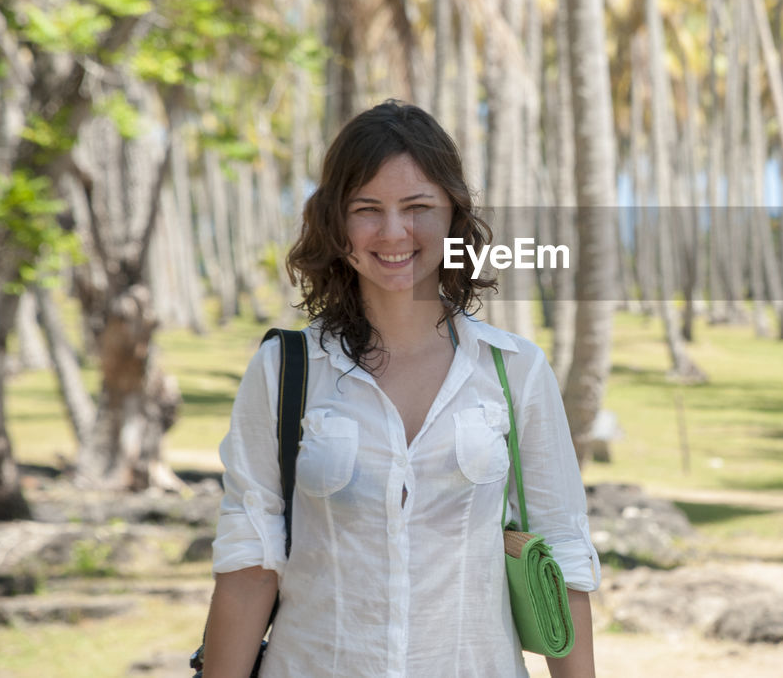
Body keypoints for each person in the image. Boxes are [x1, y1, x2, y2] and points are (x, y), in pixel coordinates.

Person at [199, 100, 600, 678]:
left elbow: (561, 556)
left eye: (418, 208)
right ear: (336, 224)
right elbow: (250, 563)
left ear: (454, 220)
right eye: (367, 209)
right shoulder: (283, 370)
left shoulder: (516, 371)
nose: (393, 233)